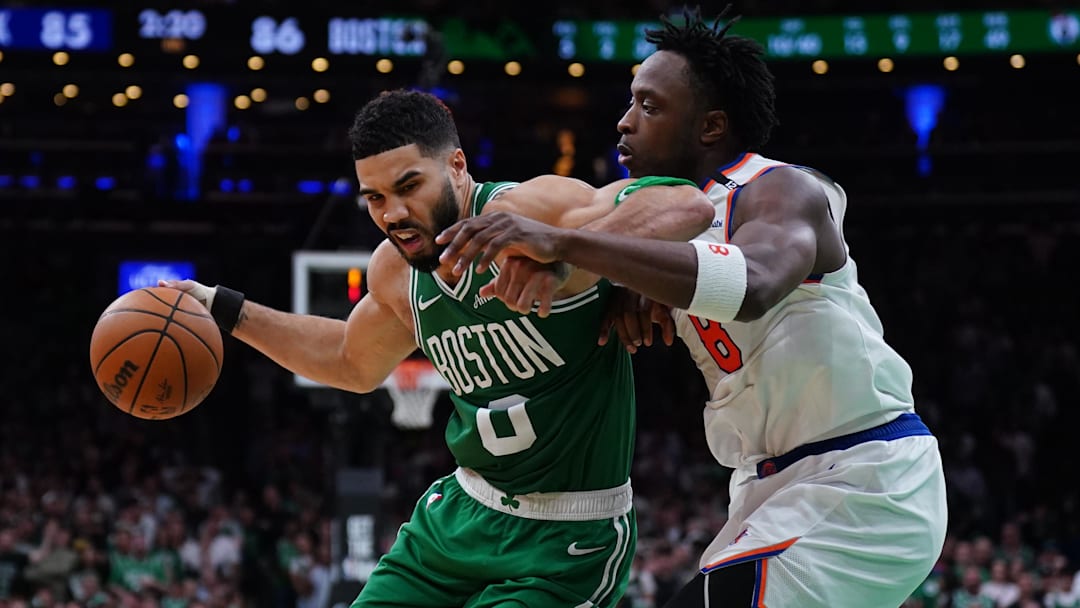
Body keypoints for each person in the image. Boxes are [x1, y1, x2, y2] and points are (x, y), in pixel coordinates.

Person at [437, 8, 948, 607]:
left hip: (865, 476)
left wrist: (571, 244)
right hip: (769, 486)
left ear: (709, 128)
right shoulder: (666, 226)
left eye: (650, 107)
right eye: (630, 102)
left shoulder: (779, 189)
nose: (624, 122)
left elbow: (754, 284)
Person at [162, 89, 715, 606]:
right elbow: (351, 361)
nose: (392, 214)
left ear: (456, 167)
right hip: (457, 519)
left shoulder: (532, 211)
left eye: (408, 187)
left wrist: (571, 254)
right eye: (375, 198)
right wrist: (224, 308)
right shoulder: (394, 272)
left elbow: (684, 203)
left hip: (566, 539)